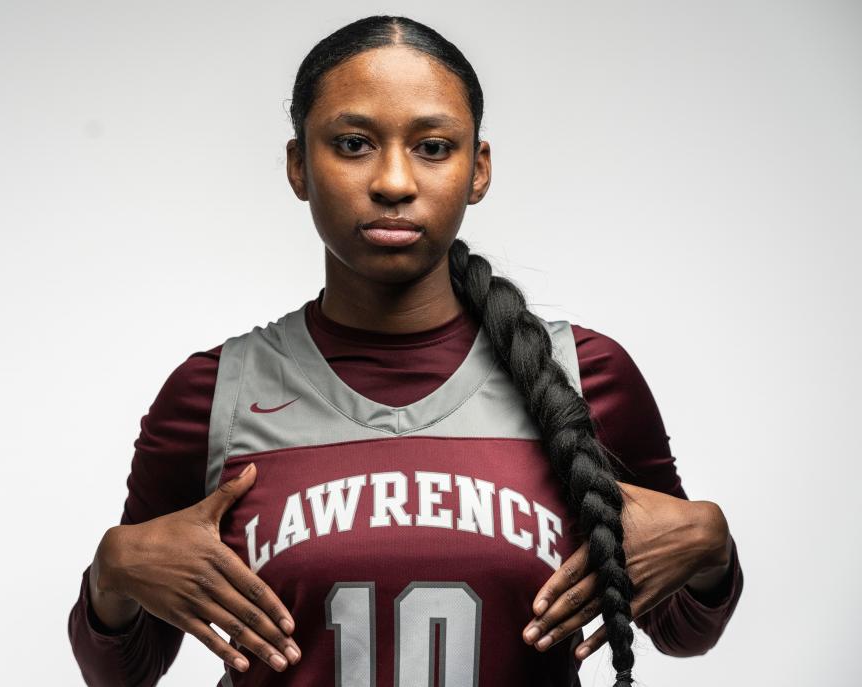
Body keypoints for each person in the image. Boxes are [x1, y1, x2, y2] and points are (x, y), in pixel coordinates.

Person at [67, 14, 743, 687]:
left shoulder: (583, 378)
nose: (393, 181)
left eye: (433, 146)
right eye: (354, 143)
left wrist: (710, 546)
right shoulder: (214, 393)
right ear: (299, 164)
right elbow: (124, 669)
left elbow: (680, 627)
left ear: (478, 169)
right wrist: (112, 571)